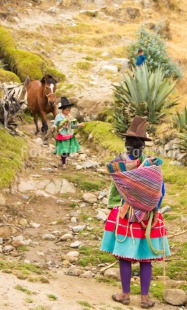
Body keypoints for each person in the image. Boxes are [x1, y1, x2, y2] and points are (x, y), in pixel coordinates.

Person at [100, 115, 170, 309]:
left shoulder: (119, 165)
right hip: (149, 216)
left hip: (126, 213)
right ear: (143, 146)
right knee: (145, 257)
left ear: (126, 145)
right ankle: (145, 298)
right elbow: (159, 190)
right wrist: (152, 206)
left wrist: (112, 206)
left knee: (125, 256)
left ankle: (125, 294)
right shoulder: (152, 164)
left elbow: (115, 187)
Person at [54, 97, 84, 169]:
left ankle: (63, 160)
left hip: (69, 135)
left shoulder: (70, 117)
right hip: (62, 135)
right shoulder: (59, 117)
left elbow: (73, 126)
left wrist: (79, 125)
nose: (68, 112)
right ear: (63, 110)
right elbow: (55, 125)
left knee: (68, 151)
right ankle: (64, 163)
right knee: (64, 150)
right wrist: (56, 127)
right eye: (67, 110)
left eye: (69, 110)